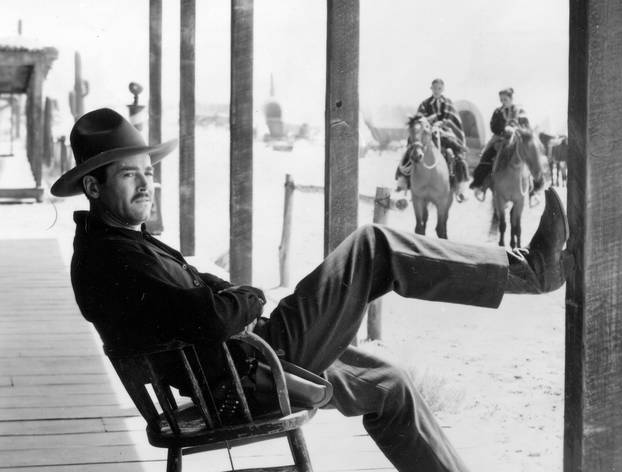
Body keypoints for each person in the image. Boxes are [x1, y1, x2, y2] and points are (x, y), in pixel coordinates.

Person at [52, 108, 569, 472]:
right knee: (373, 246)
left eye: (148, 173)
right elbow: (211, 314)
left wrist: (230, 299)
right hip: (249, 375)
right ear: (93, 187)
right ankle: (530, 271)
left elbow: (201, 298)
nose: (146, 185)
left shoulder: (116, 243)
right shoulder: (113, 257)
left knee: (388, 383)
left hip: (239, 369)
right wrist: (251, 298)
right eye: (130, 176)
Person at [469, 87, 544, 200]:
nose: (503, 102)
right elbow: (493, 126)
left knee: (531, 155)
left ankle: (536, 188)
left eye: (505, 99)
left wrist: (516, 129)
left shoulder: (520, 111)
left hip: (518, 138)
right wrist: (503, 129)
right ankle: (480, 184)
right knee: (487, 155)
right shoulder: (498, 112)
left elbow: (526, 125)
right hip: (501, 138)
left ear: (511, 98)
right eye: (501, 100)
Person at [396, 78, 469, 193]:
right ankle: (403, 179)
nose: (436, 91)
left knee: (455, 151)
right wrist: (427, 123)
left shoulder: (448, 103)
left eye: (439, 88)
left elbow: (451, 118)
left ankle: (459, 185)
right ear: (431, 88)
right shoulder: (424, 104)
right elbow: (420, 118)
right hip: (426, 130)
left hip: (444, 131)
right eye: (434, 88)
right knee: (412, 146)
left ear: (443, 89)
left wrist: (441, 123)